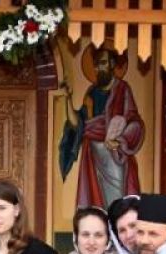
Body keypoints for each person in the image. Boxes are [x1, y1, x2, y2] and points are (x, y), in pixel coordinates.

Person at [59, 47, 144, 208]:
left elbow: (134, 121)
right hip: (93, 155)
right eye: (96, 64)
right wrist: (68, 98)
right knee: (95, 202)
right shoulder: (92, 92)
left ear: (112, 64)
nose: (99, 68)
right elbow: (78, 123)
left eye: (103, 63)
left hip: (114, 155)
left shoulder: (122, 89)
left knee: (117, 202)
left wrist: (121, 141)